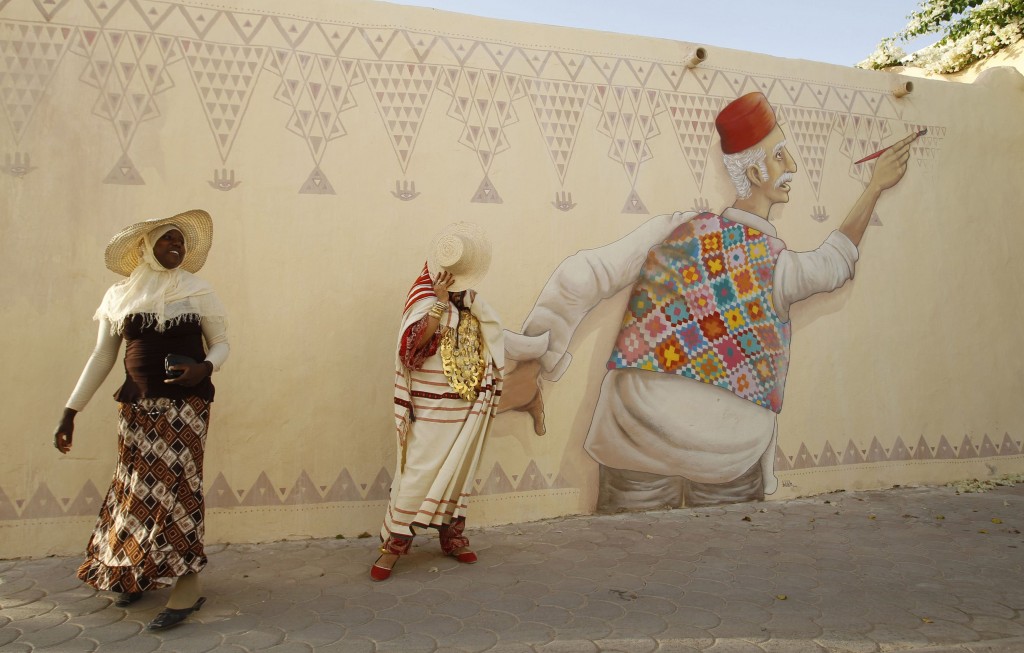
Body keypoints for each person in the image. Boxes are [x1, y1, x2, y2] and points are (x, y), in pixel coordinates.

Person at [500, 92, 918, 512]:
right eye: (780, 156)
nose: (792, 166)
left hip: (633, 436)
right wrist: (875, 187)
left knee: (626, 556)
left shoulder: (674, 229)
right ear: (755, 171)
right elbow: (835, 262)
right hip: (729, 454)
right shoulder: (780, 269)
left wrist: (537, 357)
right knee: (722, 563)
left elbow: (583, 274)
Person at [52, 209, 229, 631]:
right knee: (134, 489)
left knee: (177, 488)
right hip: (136, 409)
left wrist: (204, 368)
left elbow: (221, 343)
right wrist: (70, 411)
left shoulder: (197, 290)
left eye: (181, 242)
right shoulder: (121, 296)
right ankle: (133, 570)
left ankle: (186, 584)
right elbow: (102, 357)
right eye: (168, 240)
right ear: (147, 248)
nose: (176, 247)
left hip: (187, 409)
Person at [372, 221, 504, 581]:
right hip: (430, 407)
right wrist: (440, 305)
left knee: (459, 472)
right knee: (416, 474)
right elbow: (411, 348)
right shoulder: (423, 299)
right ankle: (393, 547)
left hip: (466, 405)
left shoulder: (474, 302)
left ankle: (452, 536)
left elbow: (489, 345)